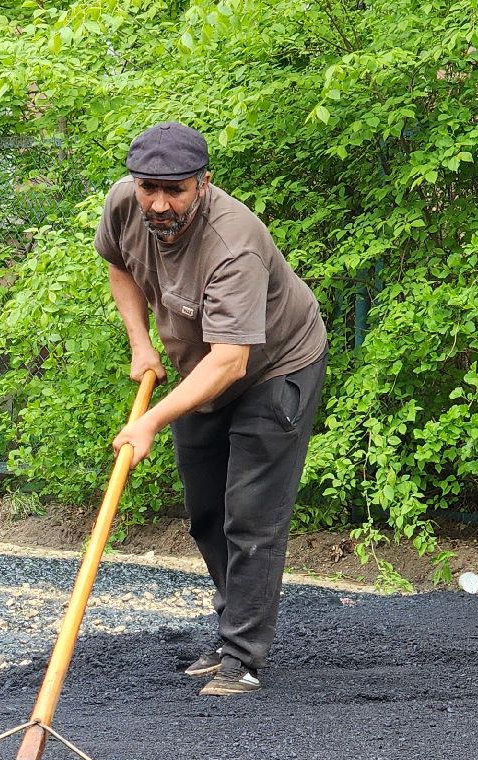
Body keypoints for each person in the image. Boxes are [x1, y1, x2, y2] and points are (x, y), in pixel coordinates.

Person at [97, 122, 329, 696]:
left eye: (174, 190)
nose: (159, 203)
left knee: (251, 515)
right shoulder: (125, 204)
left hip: (274, 367)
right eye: (149, 187)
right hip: (199, 367)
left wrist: (150, 420)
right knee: (205, 510)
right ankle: (232, 630)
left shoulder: (233, 243)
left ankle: (243, 657)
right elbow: (119, 265)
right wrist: (141, 343)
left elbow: (231, 361)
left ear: (203, 182)